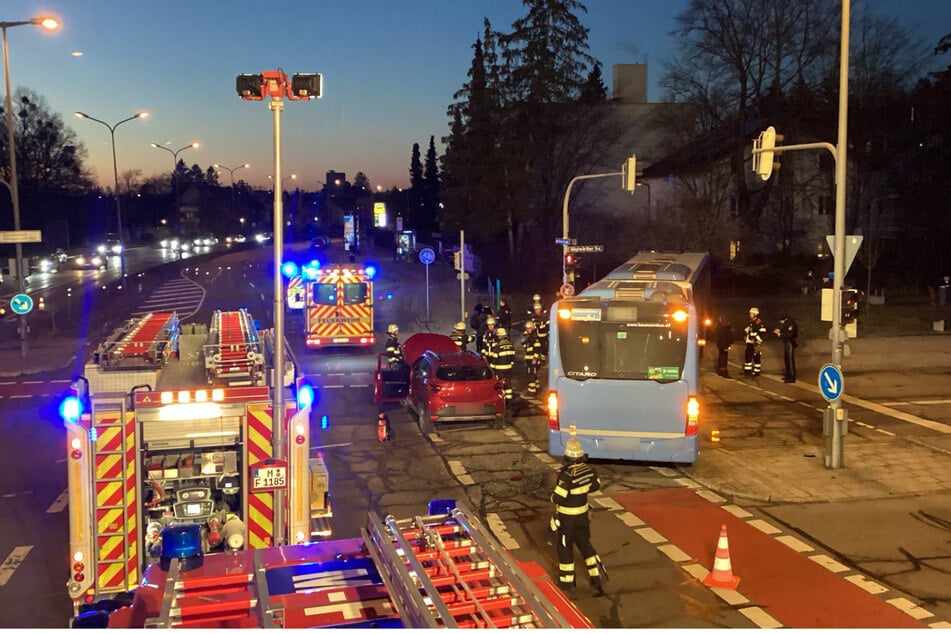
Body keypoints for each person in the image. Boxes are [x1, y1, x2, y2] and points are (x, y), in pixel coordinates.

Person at [550, 436, 604, 596]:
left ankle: (566, 583)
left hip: (568, 521)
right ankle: (597, 577)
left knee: (565, 549)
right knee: (585, 545)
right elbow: (595, 485)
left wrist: (555, 495)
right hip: (583, 518)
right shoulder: (589, 470)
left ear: (567, 457)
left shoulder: (566, 475)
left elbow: (557, 497)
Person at [488, 327, 516, 401]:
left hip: (499, 370)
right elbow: (513, 358)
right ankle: (509, 399)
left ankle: (501, 399)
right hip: (509, 368)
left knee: (500, 385)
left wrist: (491, 368)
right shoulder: (510, 345)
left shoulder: (498, 346)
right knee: (508, 383)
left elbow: (494, 359)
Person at [774, 315, 799, 383]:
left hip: (790, 343)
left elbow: (790, 335)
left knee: (790, 360)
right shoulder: (786, 324)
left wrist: (780, 334)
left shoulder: (791, 324)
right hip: (786, 343)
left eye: (781, 321)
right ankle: (788, 375)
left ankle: (791, 377)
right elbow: (783, 330)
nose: (781, 322)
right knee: (786, 359)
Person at [743, 307, 766, 376]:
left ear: (755, 314)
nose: (750, 315)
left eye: (751, 313)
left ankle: (757, 371)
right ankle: (747, 370)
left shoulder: (759, 322)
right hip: (750, 342)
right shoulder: (751, 322)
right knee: (747, 356)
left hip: (756, 343)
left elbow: (762, 332)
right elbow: (749, 330)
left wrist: (757, 338)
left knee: (756, 357)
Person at [522, 320, 542, 396]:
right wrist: (524, 337)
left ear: (532, 328)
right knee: (533, 374)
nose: (528, 330)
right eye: (527, 328)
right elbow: (523, 343)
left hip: (533, 361)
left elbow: (537, 351)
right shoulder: (528, 337)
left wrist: (534, 362)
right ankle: (537, 387)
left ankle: (532, 391)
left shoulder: (534, 338)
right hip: (529, 360)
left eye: (529, 328)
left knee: (531, 375)